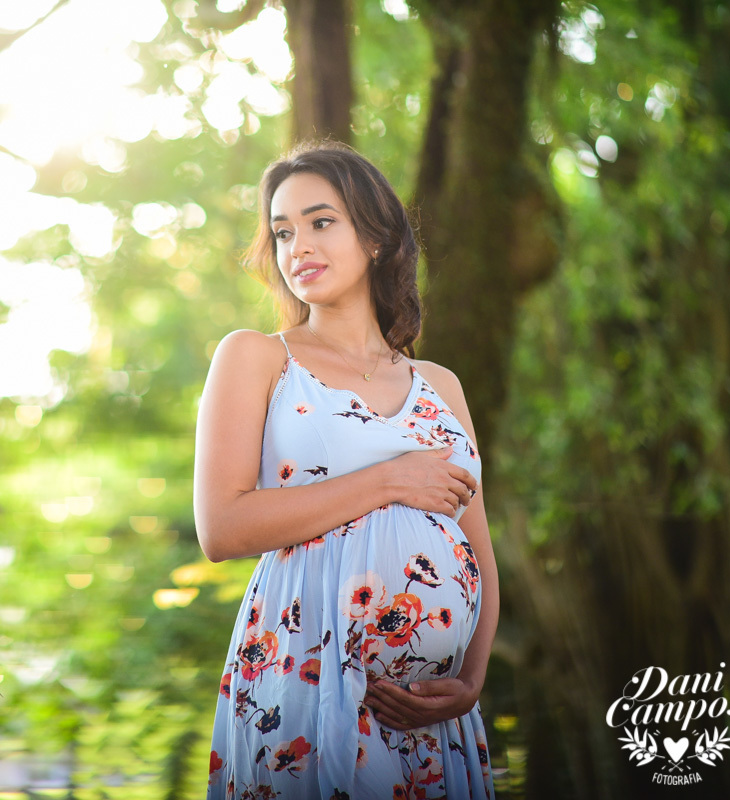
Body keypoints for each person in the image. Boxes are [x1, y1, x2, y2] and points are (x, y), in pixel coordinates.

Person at [194, 140, 499, 799]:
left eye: (321, 221)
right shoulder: (257, 357)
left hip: (433, 719)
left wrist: (471, 682)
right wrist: (390, 480)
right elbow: (221, 527)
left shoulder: (441, 384)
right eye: (282, 232)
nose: (297, 245)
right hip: (304, 682)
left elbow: (478, 550)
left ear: (377, 238)